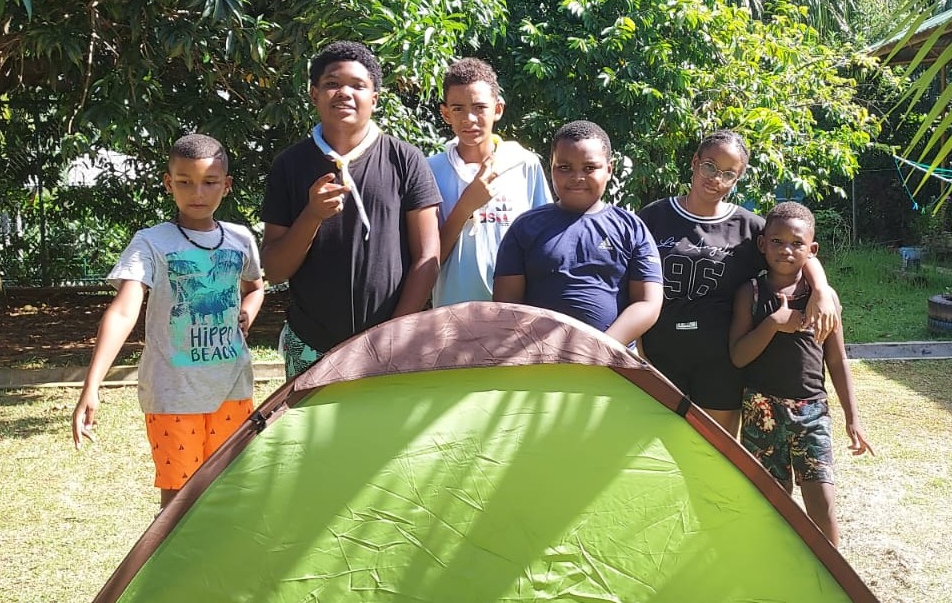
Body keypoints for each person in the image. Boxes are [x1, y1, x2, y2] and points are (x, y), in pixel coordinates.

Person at [72, 134, 265, 508]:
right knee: (178, 501)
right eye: (185, 182)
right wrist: (91, 386)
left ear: (226, 186)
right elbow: (125, 309)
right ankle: (176, 567)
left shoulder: (240, 239)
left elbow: (255, 286)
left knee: (230, 493)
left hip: (234, 391)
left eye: (210, 182)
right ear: (168, 183)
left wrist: (246, 315)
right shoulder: (151, 243)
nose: (198, 192)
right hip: (173, 396)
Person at [637, 130, 841, 435]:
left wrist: (822, 290)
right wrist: (637, 349)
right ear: (694, 162)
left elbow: (797, 252)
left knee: (714, 456)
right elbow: (630, 281)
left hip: (721, 363)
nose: (715, 178)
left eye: (728, 173)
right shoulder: (653, 217)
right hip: (659, 355)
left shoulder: (750, 228)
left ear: (738, 178)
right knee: (654, 452)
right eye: (709, 166)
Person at [260, 41, 441, 377]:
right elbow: (275, 270)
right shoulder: (289, 165)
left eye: (358, 85)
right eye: (332, 84)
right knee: (310, 431)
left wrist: (393, 335)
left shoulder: (405, 159)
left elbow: (427, 257)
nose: (344, 93)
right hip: (310, 344)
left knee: (385, 431)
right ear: (314, 94)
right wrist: (312, 215)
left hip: (391, 345)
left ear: (374, 98)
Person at [729, 202, 871, 547]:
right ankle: (777, 569)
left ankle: (834, 578)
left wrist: (853, 418)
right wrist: (774, 324)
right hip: (761, 410)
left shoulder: (823, 299)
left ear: (812, 250)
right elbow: (738, 356)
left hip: (811, 412)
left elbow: (836, 360)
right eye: (776, 241)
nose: (786, 250)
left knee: (821, 503)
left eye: (796, 243)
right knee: (771, 502)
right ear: (762, 244)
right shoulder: (751, 293)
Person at [493, 120, 663, 346]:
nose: (577, 177)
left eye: (589, 168)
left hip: (611, 365)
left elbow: (647, 303)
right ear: (552, 168)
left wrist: (601, 348)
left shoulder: (631, 228)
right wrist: (546, 349)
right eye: (564, 168)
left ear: (609, 169)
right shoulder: (525, 227)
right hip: (539, 362)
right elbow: (507, 305)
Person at [426, 57, 552, 306]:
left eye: (480, 107)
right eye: (458, 108)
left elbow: (543, 245)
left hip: (515, 314)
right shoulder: (430, 169)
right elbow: (425, 259)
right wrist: (466, 206)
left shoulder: (523, 164)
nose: (469, 118)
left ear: (498, 109)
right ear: (445, 113)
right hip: (452, 315)